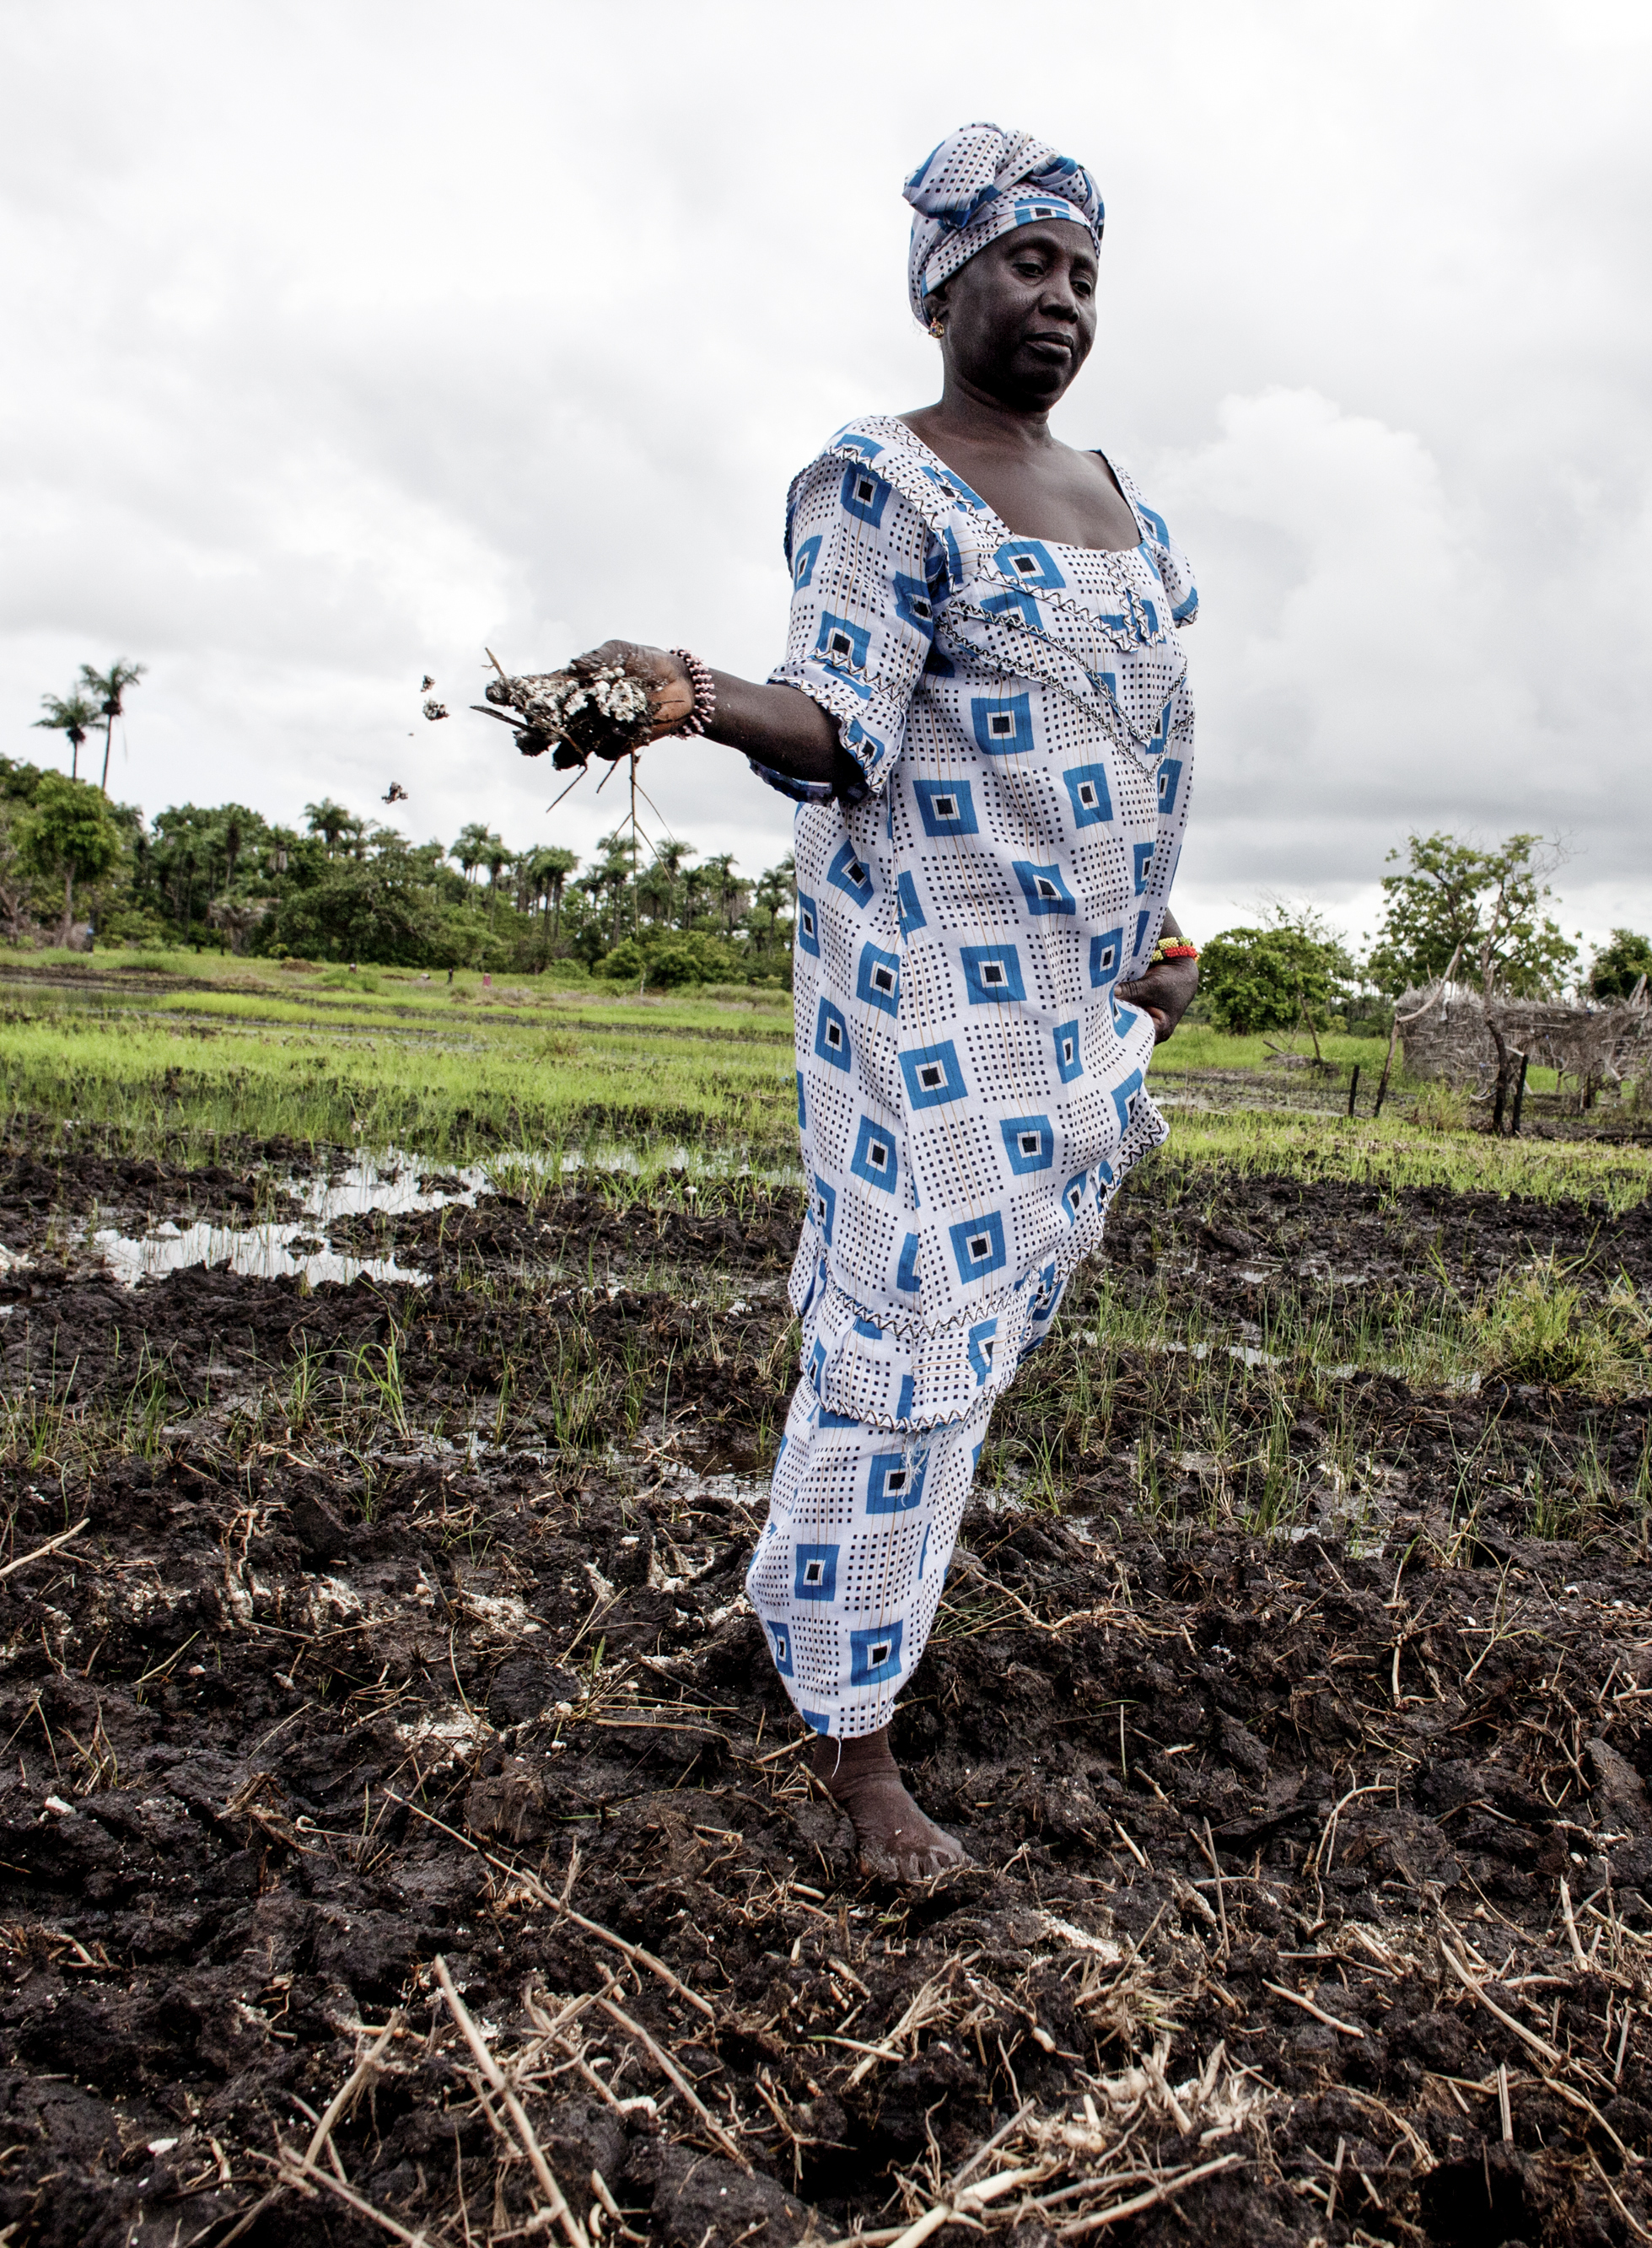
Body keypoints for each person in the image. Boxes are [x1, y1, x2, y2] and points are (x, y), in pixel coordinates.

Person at [557, 124, 1200, 1877]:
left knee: (966, 1344)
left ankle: (794, 1608)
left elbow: (1132, 745)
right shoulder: (881, 482)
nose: (1056, 296)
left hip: (1076, 1007)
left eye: (1079, 269)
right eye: (1022, 263)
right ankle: (850, 1747)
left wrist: (1149, 947)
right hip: (924, 995)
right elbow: (838, 723)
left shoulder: (1127, 507)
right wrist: (683, 690)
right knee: (901, 1344)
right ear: (941, 283)